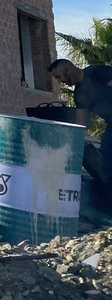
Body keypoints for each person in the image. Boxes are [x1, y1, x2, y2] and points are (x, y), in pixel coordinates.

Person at [49, 59, 112, 205]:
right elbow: (80, 124)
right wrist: (69, 144)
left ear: (67, 69)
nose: (60, 81)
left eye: (59, 77)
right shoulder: (79, 95)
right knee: (107, 151)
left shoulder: (96, 72)